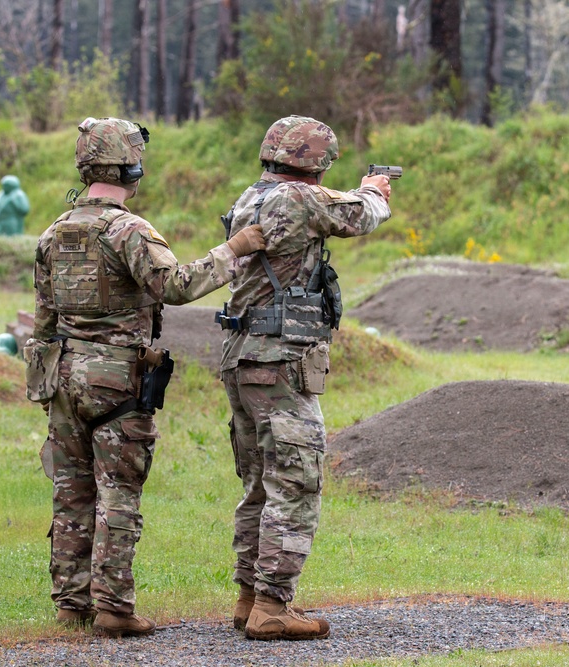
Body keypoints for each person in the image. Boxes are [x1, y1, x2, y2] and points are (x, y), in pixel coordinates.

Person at [24, 117, 265, 639]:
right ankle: (113, 606)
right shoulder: (128, 230)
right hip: (115, 380)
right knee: (119, 493)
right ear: (132, 167)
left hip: (62, 375)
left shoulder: (53, 232)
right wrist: (235, 248)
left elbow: (43, 319)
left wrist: (48, 380)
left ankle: (72, 603)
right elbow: (175, 286)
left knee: (71, 491)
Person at [218, 115, 391, 641]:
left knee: (258, 486)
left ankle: (249, 599)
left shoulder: (251, 198)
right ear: (316, 162)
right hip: (280, 361)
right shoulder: (298, 199)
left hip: (242, 356)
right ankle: (272, 607)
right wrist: (374, 191)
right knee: (295, 483)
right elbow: (360, 216)